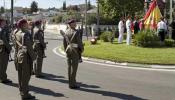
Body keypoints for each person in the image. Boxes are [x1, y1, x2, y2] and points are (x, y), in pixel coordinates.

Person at [15, 19, 36, 100]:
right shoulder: (26, 34)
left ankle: (21, 91)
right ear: (24, 25)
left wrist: (17, 56)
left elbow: (17, 45)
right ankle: (25, 94)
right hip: (26, 58)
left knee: (20, 75)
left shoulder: (17, 33)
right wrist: (34, 57)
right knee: (26, 76)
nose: (28, 24)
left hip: (20, 56)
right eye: (27, 23)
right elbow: (29, 48)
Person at [62, 19, 84, 89]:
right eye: (74, 23)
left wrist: (66, 49)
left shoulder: (66, 31)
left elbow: (64, 43)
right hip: (75, 51)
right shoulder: (76, 32)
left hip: (68, 50)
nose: (75, 24)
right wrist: (82, 49)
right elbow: (79, 42)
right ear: (71, 24)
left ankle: (70, 82)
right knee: (74, 68)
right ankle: (72, 84)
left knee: (69, 67)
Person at [0, 17, 12, 84]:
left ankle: (2, 77)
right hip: (3, 50)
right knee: (3, 65)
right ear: (1, 22)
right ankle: (3, 78)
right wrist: (9, 48)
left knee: (1, 64)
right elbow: (5, 41)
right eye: (4, 21)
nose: (5, 22)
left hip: (1, 49)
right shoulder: (2, 30)